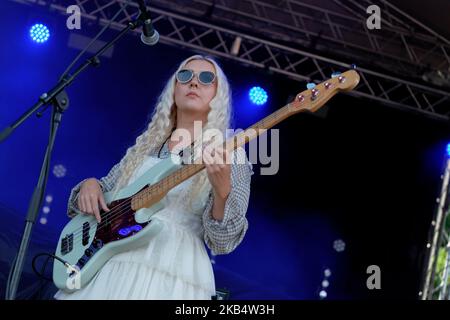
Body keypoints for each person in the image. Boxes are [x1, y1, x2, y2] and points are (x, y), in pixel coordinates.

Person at [54, 54, 253, 300]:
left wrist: (223, 193)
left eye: (205, 78)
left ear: (218, 95)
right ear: (174, 89)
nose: (194, 83)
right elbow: (102, 196)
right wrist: (90, 184)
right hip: (111, 263)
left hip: (174, 271)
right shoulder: (145, 147)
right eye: (185, 76)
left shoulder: (231, 157)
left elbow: (222, 242)